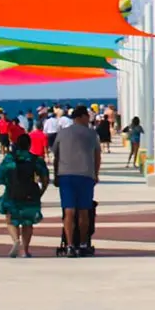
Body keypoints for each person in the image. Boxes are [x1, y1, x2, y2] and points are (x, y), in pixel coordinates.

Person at [53, 106, 101, 257]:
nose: (89, 119)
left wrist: (56, 174)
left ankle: (69, 245)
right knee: (84, 211)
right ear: (81, 117)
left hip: (66, 175)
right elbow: (97, 156)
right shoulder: (92, 134)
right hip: (85, 175)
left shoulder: (62, 133)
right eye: (87, 116)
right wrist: (95, 174)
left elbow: (56, 155)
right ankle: (83, 243)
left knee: (68, 211)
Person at [0, 133, 50, 258]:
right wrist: (40, 192)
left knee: (10, 220)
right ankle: (25, 250)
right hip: (31, 194)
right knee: (27, 222)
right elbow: (45, 179)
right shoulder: (36, 160)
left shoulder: (9, 159)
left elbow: (0, 178)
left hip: (12, 194)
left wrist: (11, 184)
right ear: (29, 145)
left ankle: (15, 240)